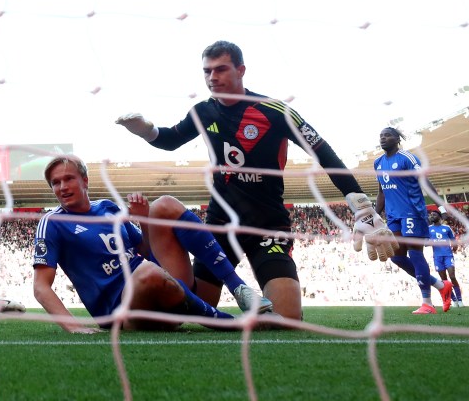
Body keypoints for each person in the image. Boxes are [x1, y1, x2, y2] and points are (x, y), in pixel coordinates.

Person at [116, 40, 394, 321]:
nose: (213, 77)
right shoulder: (202, 111)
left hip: (268, 226)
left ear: (241, 70)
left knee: (287, 319)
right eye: (207, 71)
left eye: (221, 69)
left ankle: (255, 303)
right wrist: (146, 131)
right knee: (195, 310)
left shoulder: (275, 111)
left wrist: (362, 206)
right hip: (220, 226)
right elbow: (170, 140)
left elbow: (324, 154)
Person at [32, 155, 268, 334]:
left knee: (165, 204)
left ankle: (239, 288)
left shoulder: (108, 207)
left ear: (84, 180)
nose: (62, 187)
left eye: (68, 178)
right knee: (147, 272)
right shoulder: (52, 223)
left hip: (159, 285)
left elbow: (144, 250)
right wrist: (73, 326)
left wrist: (144, 221)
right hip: (122, 311)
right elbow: (41, 287)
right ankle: (225, 322)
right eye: (55, 182)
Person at [375, 127, 453, 314]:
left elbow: (424, 182)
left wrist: (441, 207)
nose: (383, 138)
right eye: (381, 136)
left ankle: (427, 302)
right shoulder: (378, 162)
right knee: (397, 257)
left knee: (415, 254)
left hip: (412, 212)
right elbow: (381, 193)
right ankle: (441, 286)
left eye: (387, 135)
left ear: (397, 139)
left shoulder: (407, 158)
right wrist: (375, 215)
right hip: (393, 216)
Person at [428, 210, 463, 308]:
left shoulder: (446, 228)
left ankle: (460, 300)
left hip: (448, 255)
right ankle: (454, 300)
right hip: (437, 257)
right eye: (431, 215)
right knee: (444, 280)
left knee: (452, 276)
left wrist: (455, 247)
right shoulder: (429, 229)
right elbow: (426, 242)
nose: (431, 216)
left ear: (439, 217)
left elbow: (453, 241)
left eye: (434, 215)